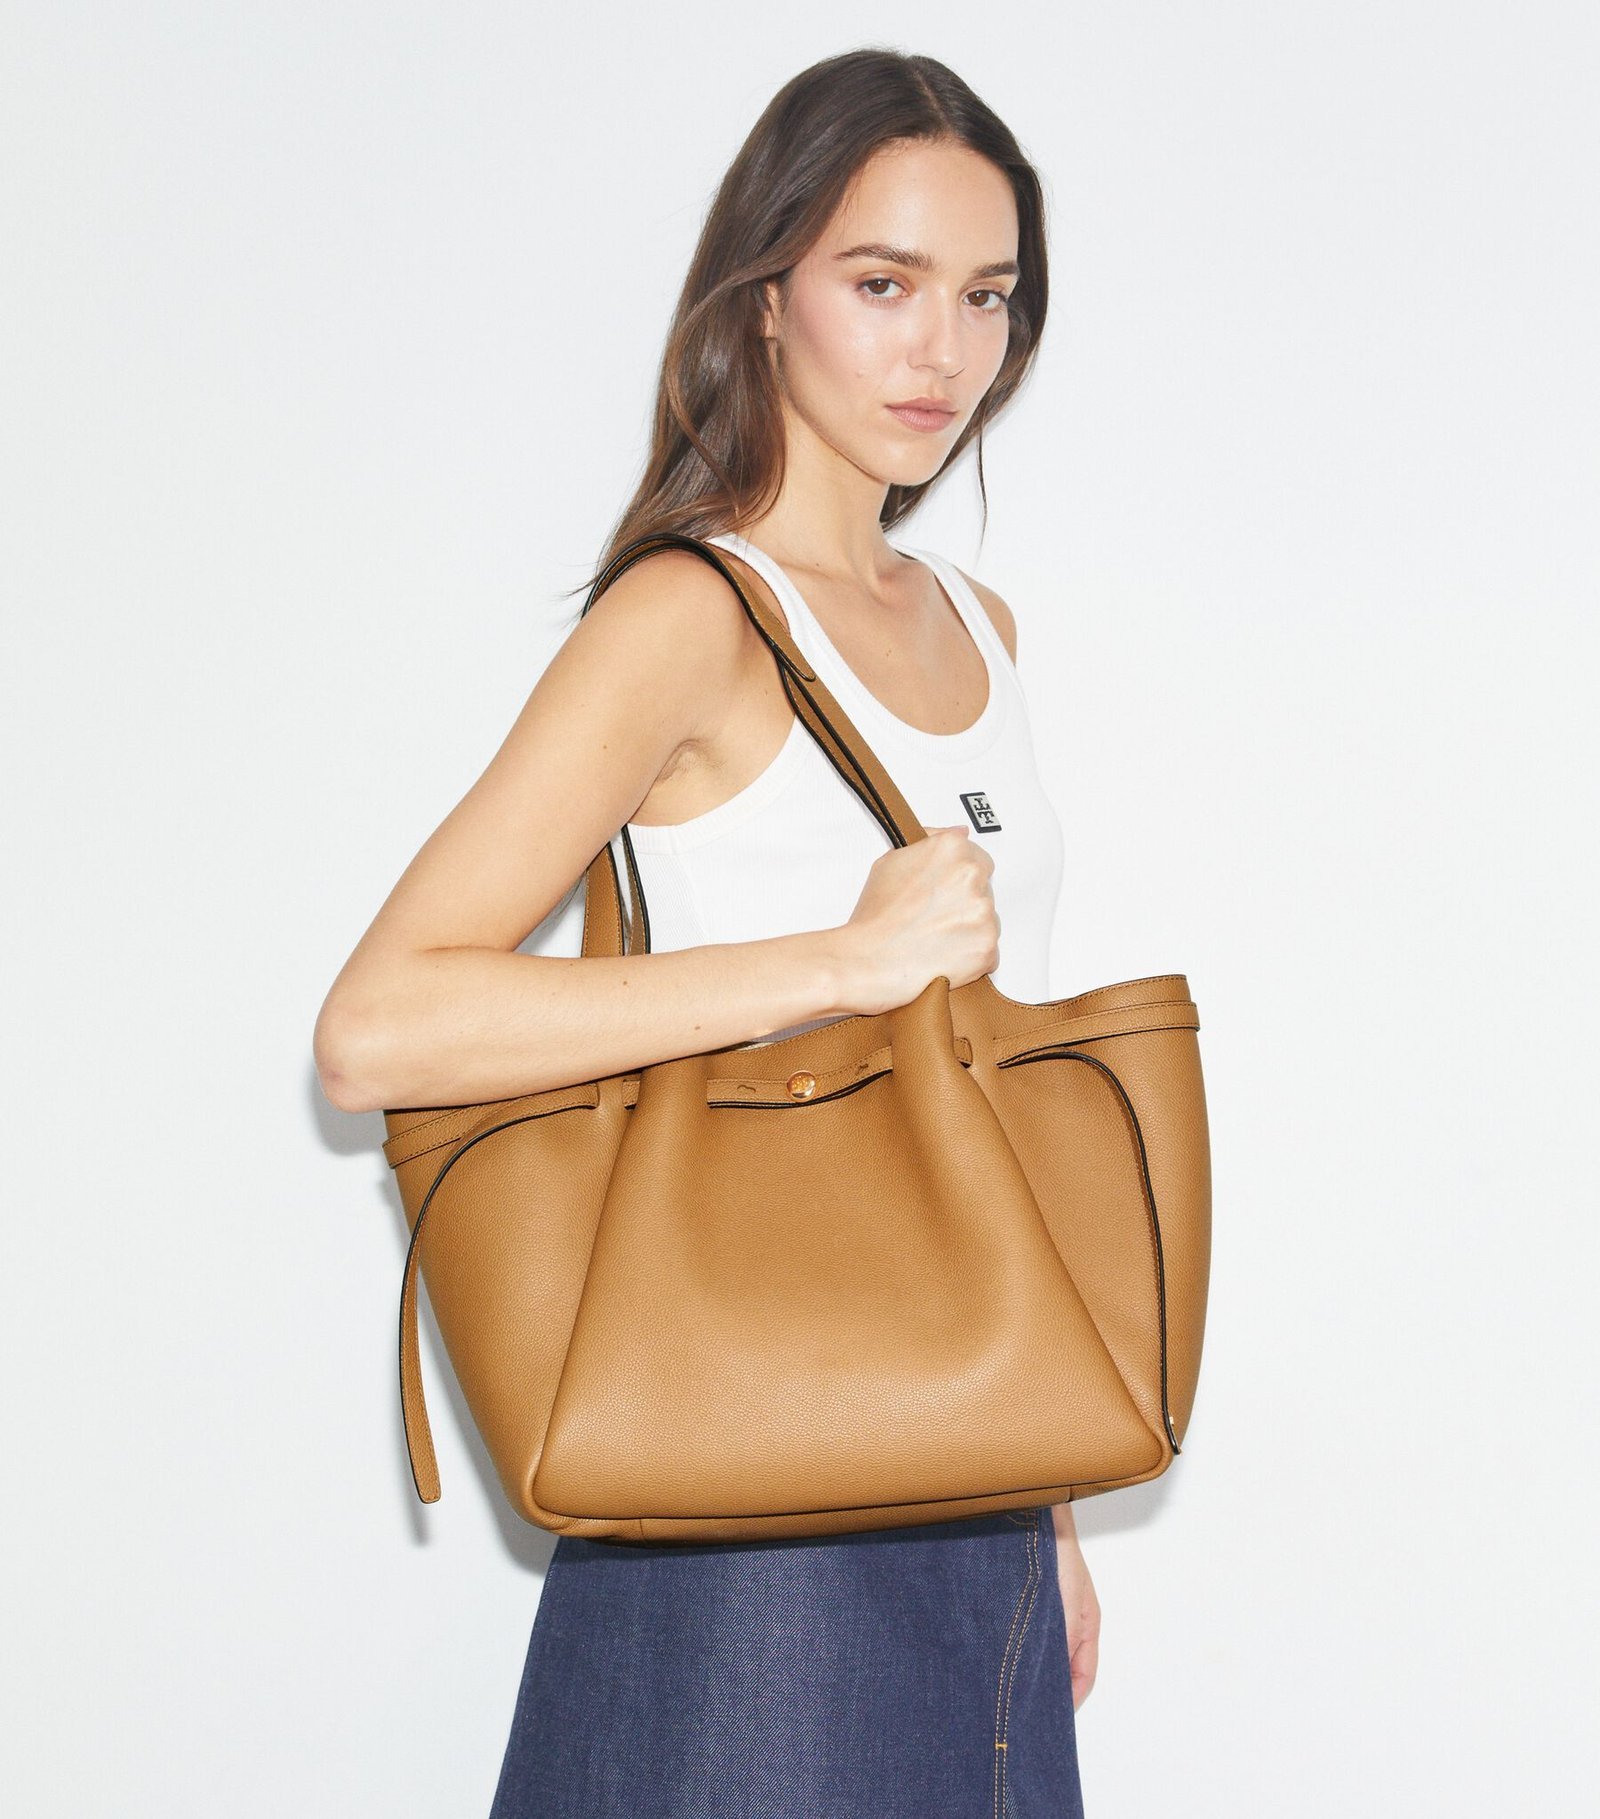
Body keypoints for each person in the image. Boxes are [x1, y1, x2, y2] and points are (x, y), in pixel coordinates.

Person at [315, 45, 1099, 1819]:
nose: (942, 349)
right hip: (755, 1480)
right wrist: (841, 964)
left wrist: (1047, 1505)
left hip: (971, 1458)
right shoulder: (689, 615)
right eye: (882, 284)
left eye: (986, 296)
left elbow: (992, 1093)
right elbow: (377, 1027)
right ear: (763, 298)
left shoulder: (981, 629)